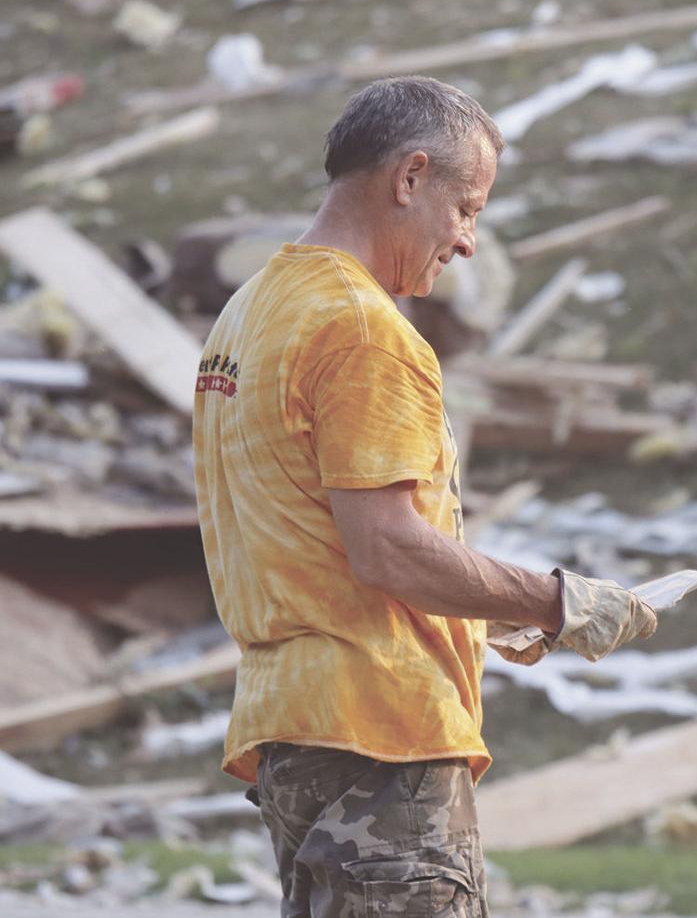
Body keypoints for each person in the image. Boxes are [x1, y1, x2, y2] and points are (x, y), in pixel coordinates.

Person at [192, 75, 659, 918]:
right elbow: (386, 547)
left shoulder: (249, 312)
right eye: (467, 207)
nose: (468, 241)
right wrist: (556, 601)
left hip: (292, 731)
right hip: (382, 737)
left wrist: (486, 610)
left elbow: (318, 535)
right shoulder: (365, 327)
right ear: (409, 178)